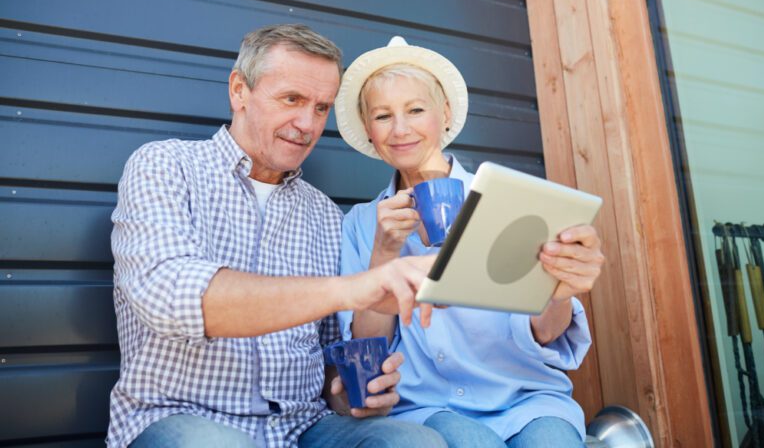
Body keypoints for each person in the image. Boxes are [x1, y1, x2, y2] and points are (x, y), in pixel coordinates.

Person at [107, 24, 447, 448]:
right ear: (239, 91)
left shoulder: (323, 213)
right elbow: (174, 297)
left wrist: (351, 393)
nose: (306, 124)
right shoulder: (165, 166)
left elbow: (327, 361)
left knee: (414, 442)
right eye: (292, 100)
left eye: (321, 108)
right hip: (183, 416)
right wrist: (356, 287)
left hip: (302, 427)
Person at [334, 36, 605, 447]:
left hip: (525, 398)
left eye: (416, 110)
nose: (401, 129)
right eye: (383, 116)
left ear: (444, 115)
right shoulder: (359, 224)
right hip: (427, 407)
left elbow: (548, 332)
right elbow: (366, 348)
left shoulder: (507, 199)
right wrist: (384, 254)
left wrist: (560, 292)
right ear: (369, 132)